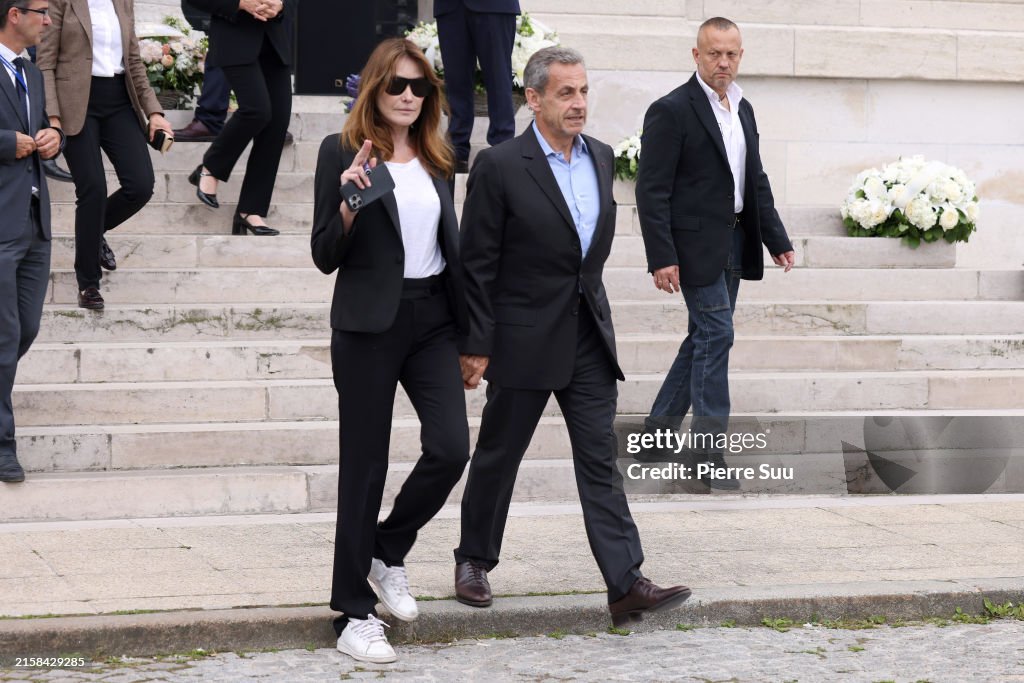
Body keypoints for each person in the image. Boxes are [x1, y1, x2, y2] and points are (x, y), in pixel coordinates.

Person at [454, 46, 691, 627]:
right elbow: (476, 263)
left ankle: (625, 582)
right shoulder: (501, 165)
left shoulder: (603, 158)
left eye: (583, 91)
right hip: (521, 337)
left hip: (588, 333)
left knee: (599, 461)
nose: (579, 103)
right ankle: (473, 560)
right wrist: (475, 342)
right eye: (565, 92)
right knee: (499, 455)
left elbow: (589, 253)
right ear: (533, 99)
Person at [311, 38, 469, 664]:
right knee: (365, 466)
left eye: (419, 87)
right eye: (396, 85)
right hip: (369, 326)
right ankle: (352, 612)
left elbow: (455, 253)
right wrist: (350, 201)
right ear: (373, 89)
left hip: (432, 318)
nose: (408, 96)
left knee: (451, 447)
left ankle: (385, 549)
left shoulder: (438, 155)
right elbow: (325, 255)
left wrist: (472, 334)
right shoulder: (346, 153)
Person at [633, 17, 795, 488]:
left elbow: (754, 179)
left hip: (735, 241)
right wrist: (661, 254)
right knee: (717, 335)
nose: (723, 62)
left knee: (705, 337)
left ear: (740, 56)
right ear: (696, 55)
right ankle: (704, 456)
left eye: (731, 54)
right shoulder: (671, 110)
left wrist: (777, 239)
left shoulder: (743, 109)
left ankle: (656, 435)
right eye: (714, 54)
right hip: (691, 248)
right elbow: (652, 189)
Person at [37, 0, 174, 311]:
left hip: (118, 102)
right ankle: (88, 283)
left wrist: (154, 110)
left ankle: (94, 231)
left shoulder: (123, 1)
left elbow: (134, 61)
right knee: (93, 189)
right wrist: (53, 118)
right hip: (76, 104)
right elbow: (45, 62)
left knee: (140, 185)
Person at [0, 0, 64, 483]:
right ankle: (3, 446)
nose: (48, 20)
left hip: (35, 222)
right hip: (2, 222)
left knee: (25, 331)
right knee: (4, 339)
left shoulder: (33, 73)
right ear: (13, 14)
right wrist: (9, 142)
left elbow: (41, 125)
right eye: (41, 11)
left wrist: (50, 136)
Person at [186, 0, 293, 237]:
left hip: (274, 41)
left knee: (276, 125)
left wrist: (280, 5)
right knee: (257, 110)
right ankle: (210, 167)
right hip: (234, 38)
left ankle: (250, 212)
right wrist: (241, 3)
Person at [173, 0, 292, 145]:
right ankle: (210, 118)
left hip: (271, 28)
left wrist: (280, 4)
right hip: (228, 23)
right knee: (227, 51)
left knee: (273, 120)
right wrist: (239, 3)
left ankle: (271, 124)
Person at [434, 0, 519, 173]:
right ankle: (457, 149)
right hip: (450, 7)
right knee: (455, 81)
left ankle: (502, 146)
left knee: (499, 79)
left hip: (495, 7)